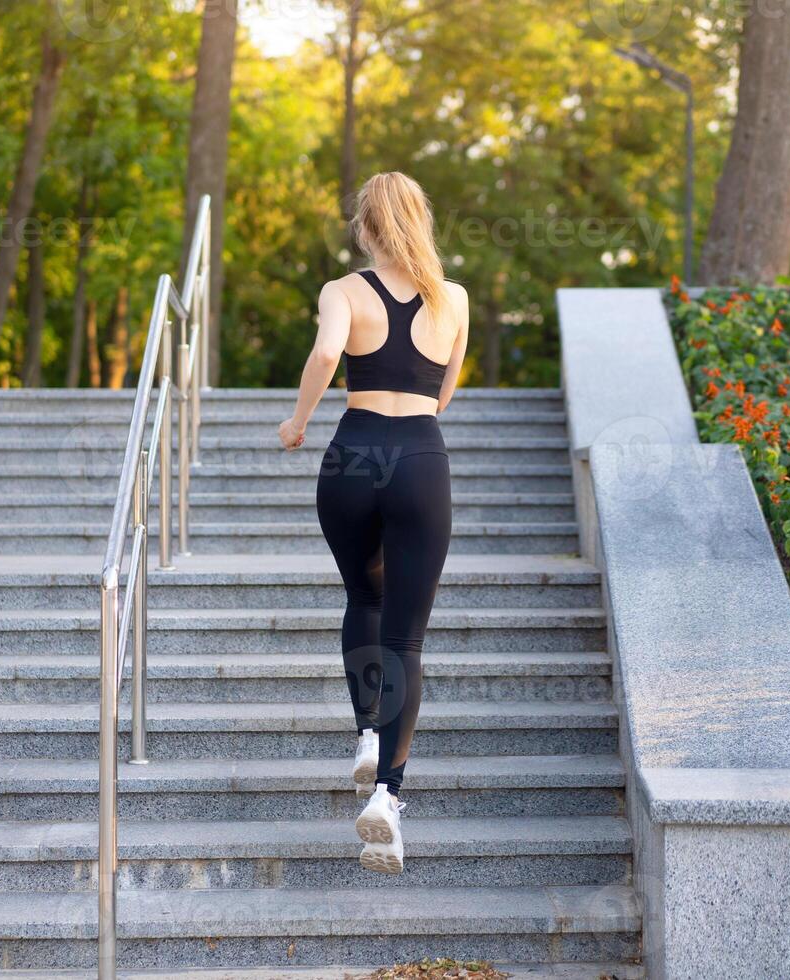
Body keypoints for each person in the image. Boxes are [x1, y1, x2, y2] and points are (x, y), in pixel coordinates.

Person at [278, 172, 469, 875]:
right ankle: (387, 794)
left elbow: (329, 355)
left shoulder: (342, 291)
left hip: (352, 455)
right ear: (420, 220)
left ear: (365, 225)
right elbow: (445, 388)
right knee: (407, 640)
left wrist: (298, 423)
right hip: (420, 456)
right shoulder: (454, 299)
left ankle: (365, 729)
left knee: (364, 598)